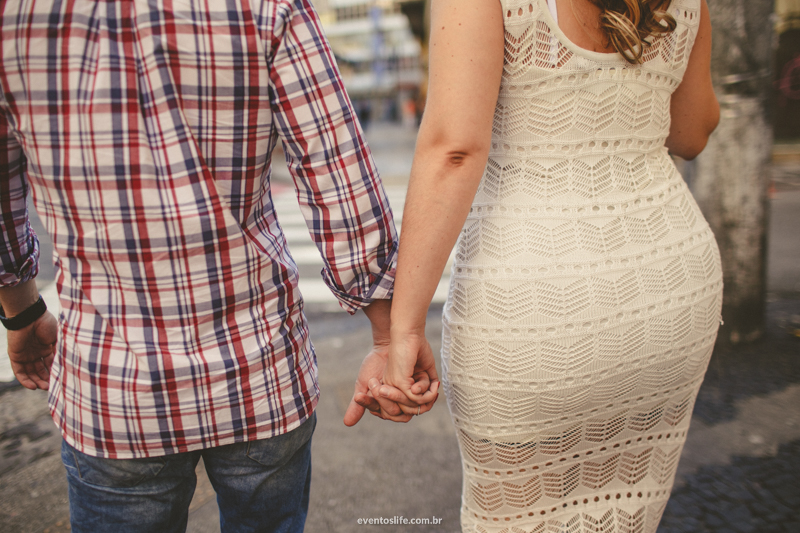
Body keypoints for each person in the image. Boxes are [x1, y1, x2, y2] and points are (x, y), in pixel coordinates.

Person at [0, 0, 434, 531]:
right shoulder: (265, 7)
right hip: (260, 372)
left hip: (112, 388)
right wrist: (389, 336)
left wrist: (21, 313)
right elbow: (337, 170)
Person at [361, 0, 722, 530]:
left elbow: (455, 150)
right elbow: (693, 131)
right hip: (666, 289)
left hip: (532, 306)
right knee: (629, 509)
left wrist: (403, 329)